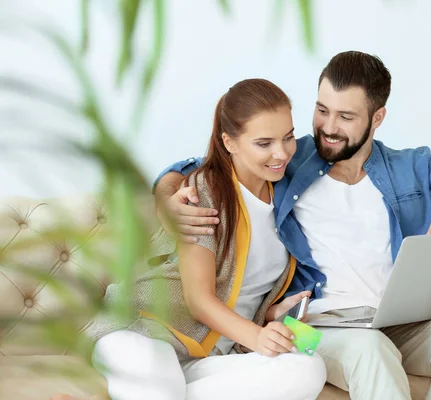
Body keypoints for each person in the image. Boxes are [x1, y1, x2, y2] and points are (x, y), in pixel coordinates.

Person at [154, 52, 431, 400]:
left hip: (398, 319)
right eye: (321, 111)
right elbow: (189, 168)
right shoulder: (286, 158)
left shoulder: (411, 166)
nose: (329, 128)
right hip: (312, 326)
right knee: (369, 349)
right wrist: (168, 201)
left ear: (377, 117)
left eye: (346, 117)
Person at [51, 78, 327, 400]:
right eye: (264, 143)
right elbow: (199, 301)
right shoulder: (205, 190)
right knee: (160, 382)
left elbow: (242, 286)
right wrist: (257, 336)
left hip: (207, 357)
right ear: (230, 142)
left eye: (288, 137)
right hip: (143, 332)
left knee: (307, 368)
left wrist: (271, 315)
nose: (282, 153)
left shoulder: (286, 199)